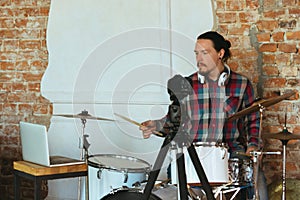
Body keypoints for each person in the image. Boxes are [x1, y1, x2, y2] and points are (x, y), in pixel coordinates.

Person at [140, 31, 268, 200]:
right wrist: (155, 125)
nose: (199, 58)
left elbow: (252, 122)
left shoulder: (242, 84)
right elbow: (174, 119)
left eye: (205, 53)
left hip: (230, 154)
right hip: (193, 155)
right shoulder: (187, 85)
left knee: (259, 185)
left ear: (220, 54)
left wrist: (252, 148)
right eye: (196, 53)